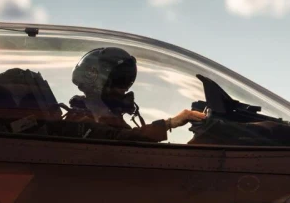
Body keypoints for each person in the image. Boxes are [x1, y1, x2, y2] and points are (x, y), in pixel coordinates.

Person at [63, 47, 206, 142]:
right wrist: (169, 123)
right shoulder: (77, 121)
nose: (124, 90)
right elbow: (120, 141)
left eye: (127, 82)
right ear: (95, 80)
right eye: (120, 80)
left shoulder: (112, 119)